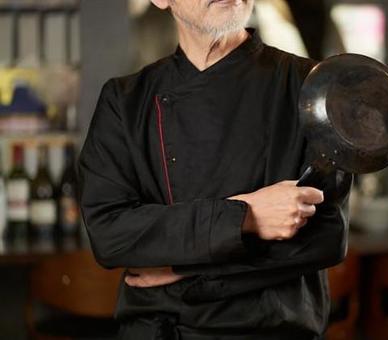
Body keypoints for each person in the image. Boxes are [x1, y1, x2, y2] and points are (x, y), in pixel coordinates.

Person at [78, 0, 352, 339]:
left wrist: (181, 264)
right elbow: (109, 235)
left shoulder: (310, 88)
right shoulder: (124, 101)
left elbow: (326, 236)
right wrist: (247, 216)